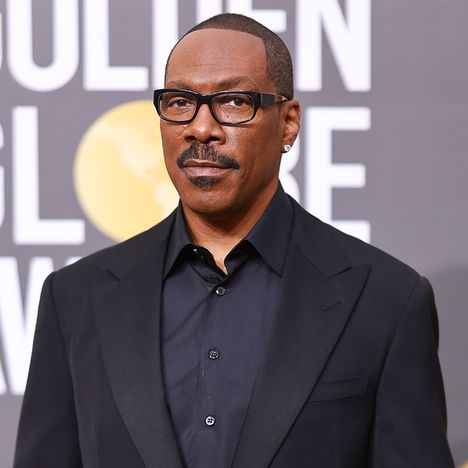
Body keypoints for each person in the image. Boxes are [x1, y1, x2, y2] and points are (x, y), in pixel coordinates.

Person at [14, 13, 454, 468]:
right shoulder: (76, 299)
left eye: (234, 102)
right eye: (181, 101)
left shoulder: (386, 300)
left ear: (288, 123)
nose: (201, 128)